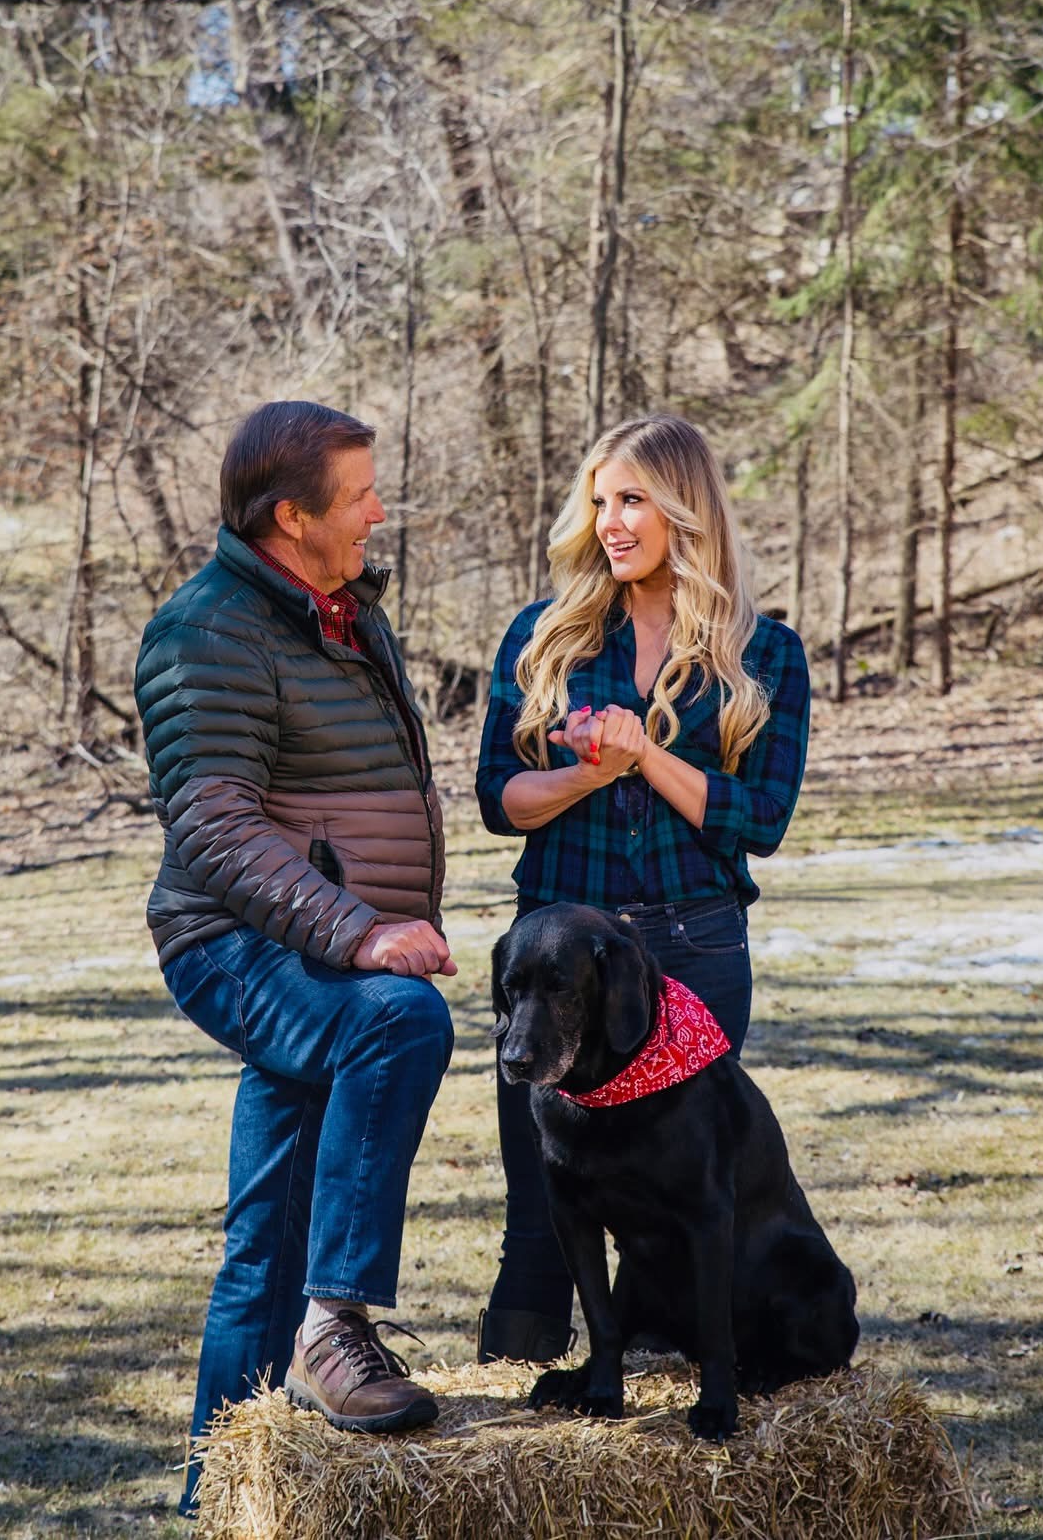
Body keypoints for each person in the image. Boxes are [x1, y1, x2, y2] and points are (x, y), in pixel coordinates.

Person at [134, 400, 455, 1516]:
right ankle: (338, 1321)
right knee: (399, 1021)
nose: (377, 510)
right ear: (291, 515)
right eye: (359, 494)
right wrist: (363, 933)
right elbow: (215, 827)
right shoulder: (206, 629)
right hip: (240, 940)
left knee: (261, 1241)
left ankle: (218, 1503)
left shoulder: (349, 613)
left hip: (313, 945)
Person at [473, 413, 811, 1365]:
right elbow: (500, 800)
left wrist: (643, 755)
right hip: (552, 961)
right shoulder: (543, 638)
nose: (611, 522)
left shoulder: (767, 655)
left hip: (696, 957)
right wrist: (585, 773)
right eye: (600, 502)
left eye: (633, 501)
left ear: (683, 509)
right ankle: (510, 1411)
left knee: (676, 1198)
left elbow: (761, 820)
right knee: (543, 1200)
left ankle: (650, 1376)